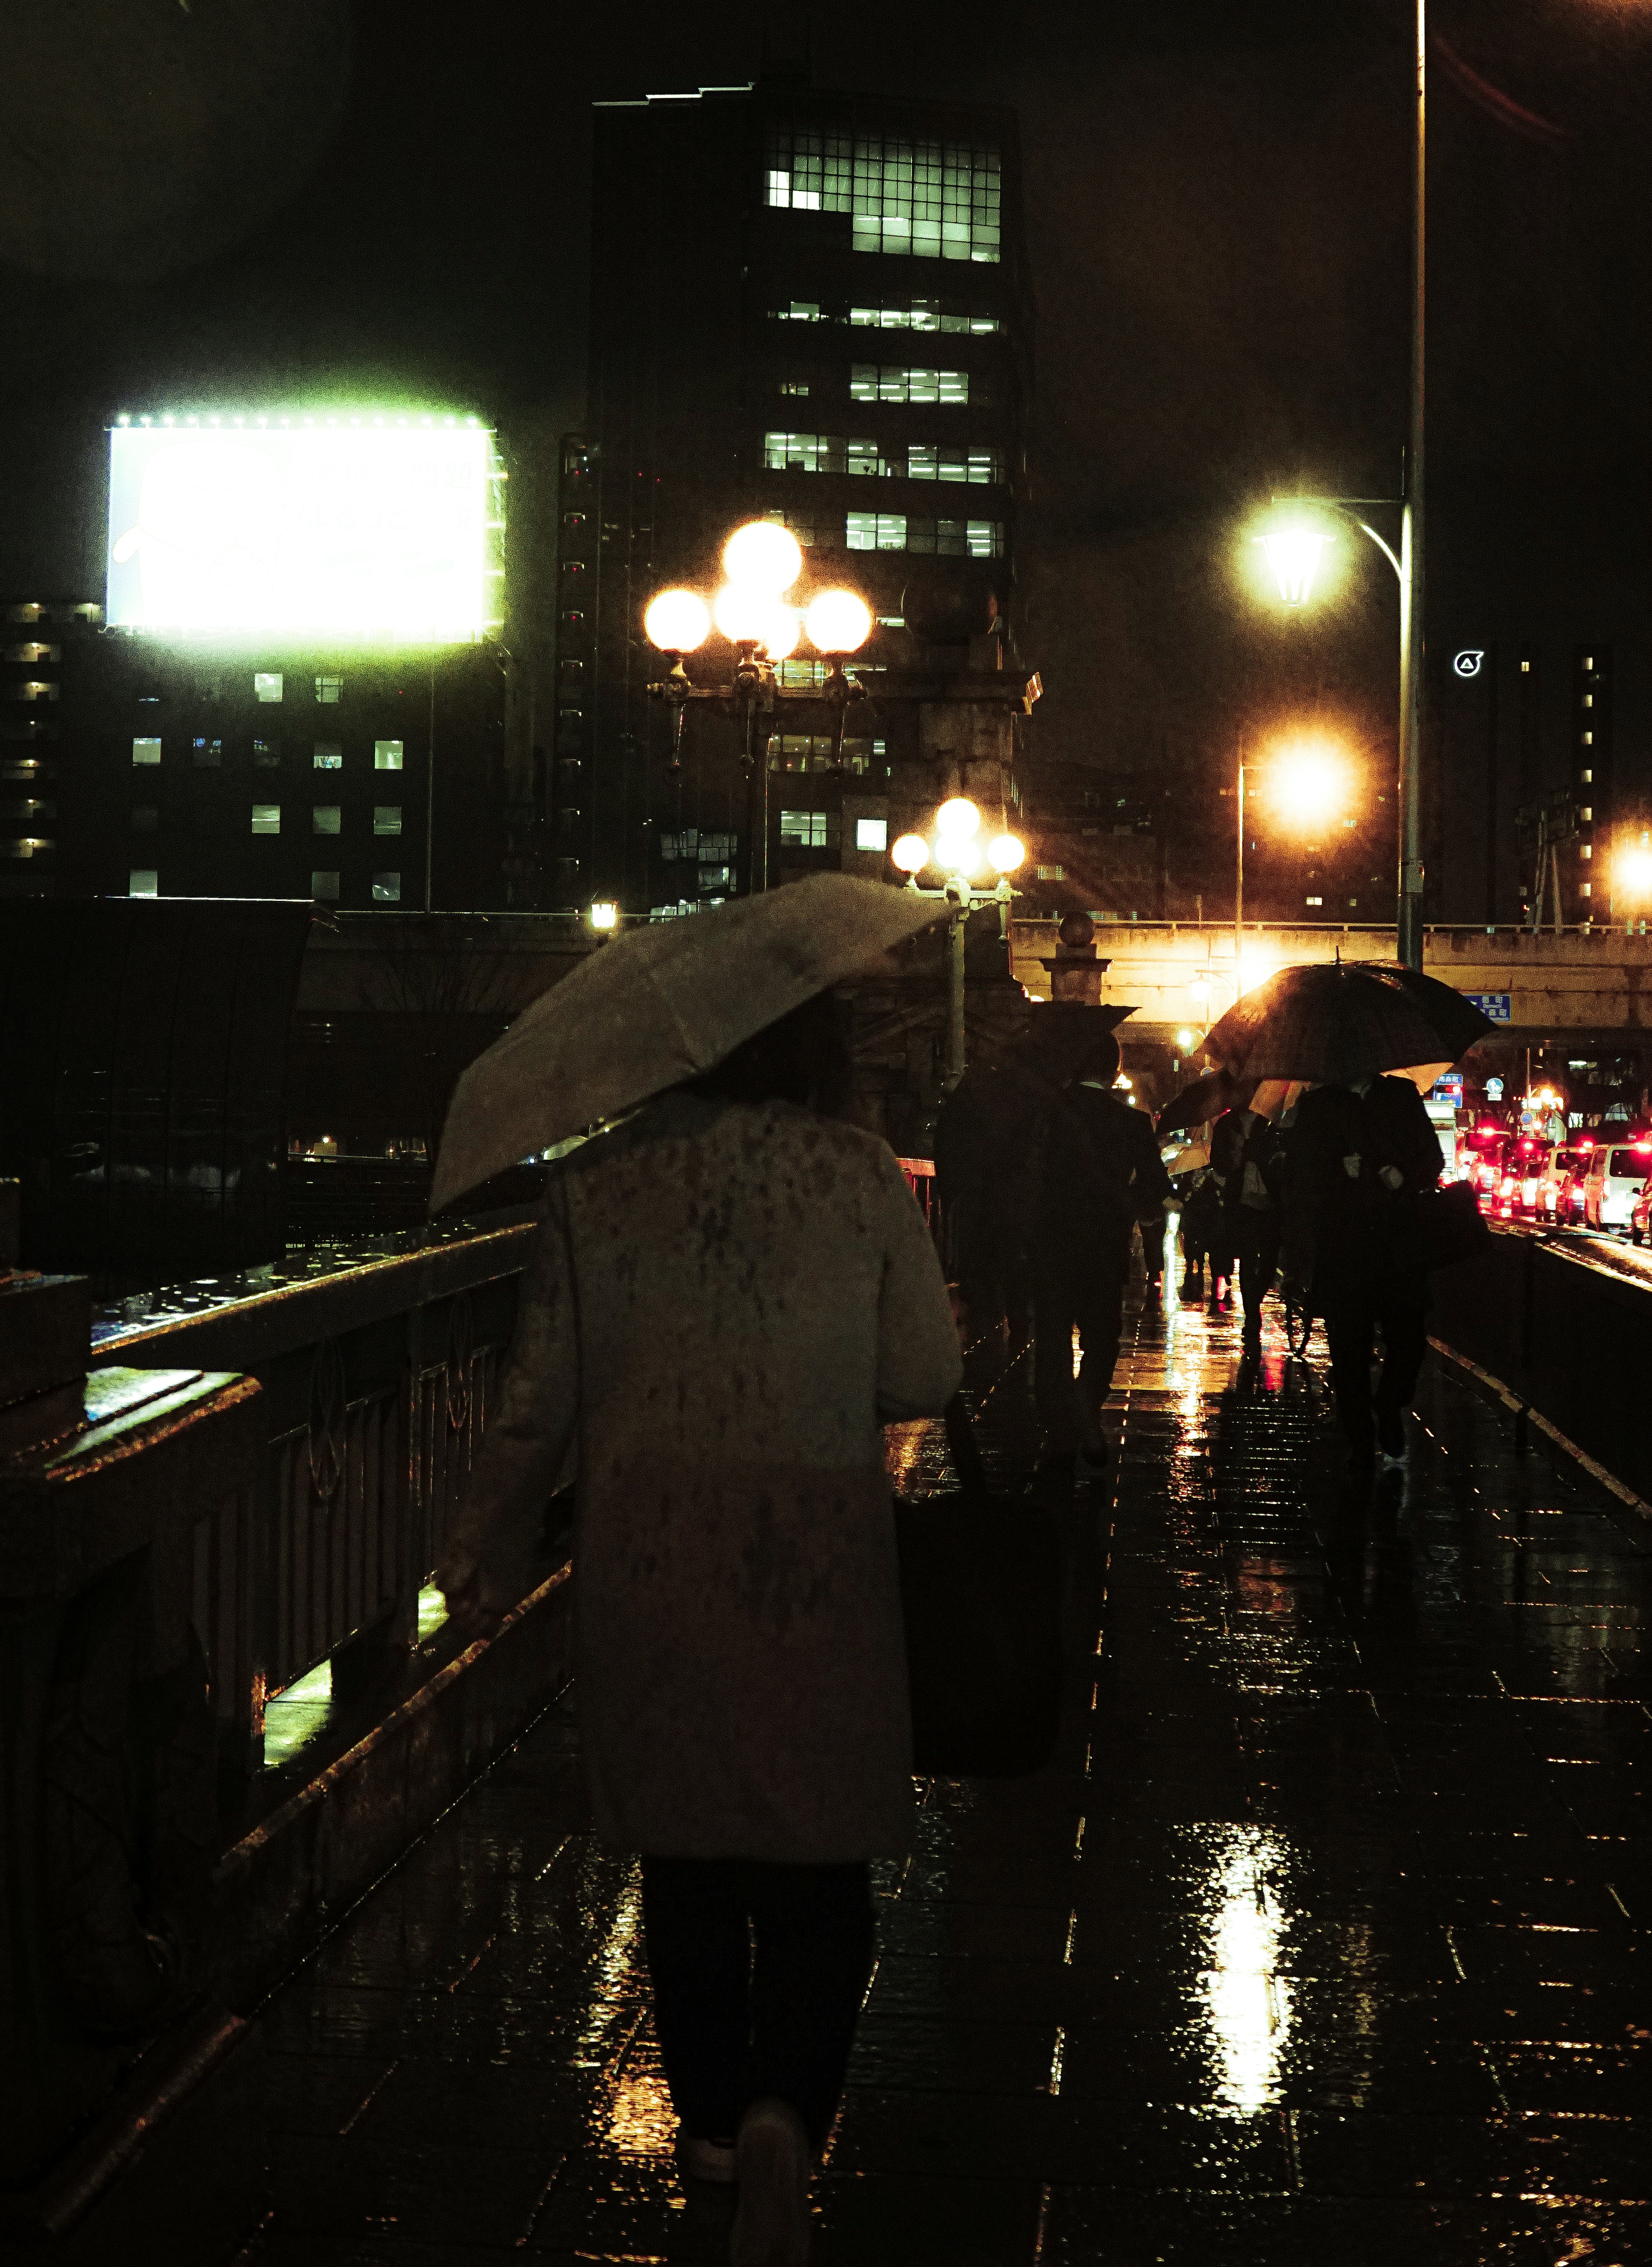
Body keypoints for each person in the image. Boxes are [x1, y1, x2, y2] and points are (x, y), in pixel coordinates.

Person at [437, 991, 962, 2267]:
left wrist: (482, 1558)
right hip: (816, 1560)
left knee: (684, 1864)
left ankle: (719, 2136)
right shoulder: (854, 1172)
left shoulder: (593, 1184)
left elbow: (534, 1404)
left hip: (653, 1564)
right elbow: (926, 1374)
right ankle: (793, 2106)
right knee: (817, 1862)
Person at [1029, 1031, 1174, 1484]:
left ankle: (1060, 1431)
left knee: (1052, 1339)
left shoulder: (1046, 1114)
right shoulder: (1130, 1122)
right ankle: (1087, 1406)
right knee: (1102, 1336)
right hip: (1103, 1247)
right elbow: (1154, 1187)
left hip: (1051, 1244)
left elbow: (1025, 1175)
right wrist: (1129, 1205)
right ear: (1113, 1071)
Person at [1291, 1071, 1444, 1469]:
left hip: (1398, 1245)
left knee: (1410, 1338)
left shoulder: (1400, 1094)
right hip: (1346, 1246)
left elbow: (1433, 1158)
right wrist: (1337, 1169)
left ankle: (1390, 1402)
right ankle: (1359, 1435)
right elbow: (1299, 1172)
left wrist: (1403, 1174)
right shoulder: (1319, 1103)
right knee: (1348, 1346)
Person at [1210, 1102, 1289, 1350]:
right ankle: (1252, 1312)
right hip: (1241, 1200)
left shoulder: (1272, 1120)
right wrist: (1236, 1158)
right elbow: (1218, 1161)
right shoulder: (1227, 1124)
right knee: (1246, 1257)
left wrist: (1260, 1154)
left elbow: (1284, 1155)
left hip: (1270, 1199)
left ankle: (1256, 1298)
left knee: (1268, 1259)